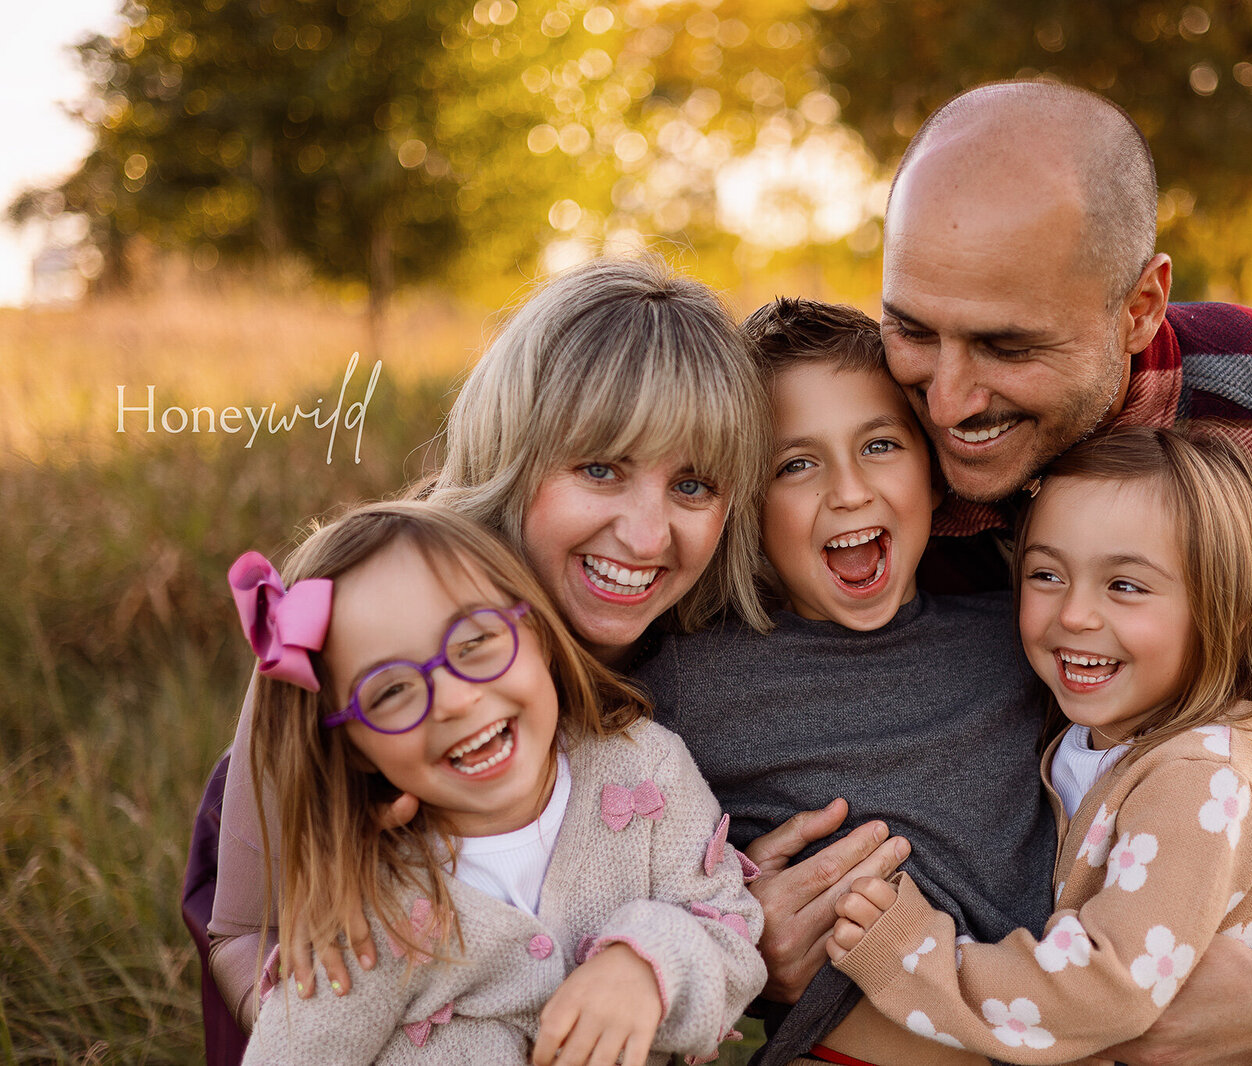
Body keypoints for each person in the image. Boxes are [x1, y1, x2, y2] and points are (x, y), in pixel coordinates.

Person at [759, 81, 1252, 1064]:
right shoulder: (854, 461)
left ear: (1139, 304)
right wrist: (740, 924)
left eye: (1005, 344)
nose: (944, 400)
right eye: (914, 329)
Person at [201, 257, 907, 1034]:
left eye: (694, 485)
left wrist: (728, 937)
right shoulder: (366, 621)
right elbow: (240, 929)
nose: (646, 536)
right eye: (600, 469)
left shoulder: (702, 638)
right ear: (514, 449)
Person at [827, 426, 1252, 1060]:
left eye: (1125, 586)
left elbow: (1104, 989)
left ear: (1222, 609)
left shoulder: (1196, 781)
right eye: (1047, 574)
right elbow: (1131, 824)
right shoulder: (1124, 741)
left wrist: (910, 954)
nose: (1075, 614)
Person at [632, 298, 1059, 1065]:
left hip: (1055, 1033)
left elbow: (1133, 755)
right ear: (746, 513)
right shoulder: (691, 678)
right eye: (796, 464)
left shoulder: (1023, 634)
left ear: (935, 478)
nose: (849, 490)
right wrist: (737, 922)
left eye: (881, 445)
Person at [230, 501, 764, 1065]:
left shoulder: (645, 773)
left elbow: (734, 935)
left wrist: (648, 963)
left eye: (474, 643)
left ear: (534, 628)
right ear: (354, 749)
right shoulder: (369, 914)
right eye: (390, 692)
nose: (457, 700)